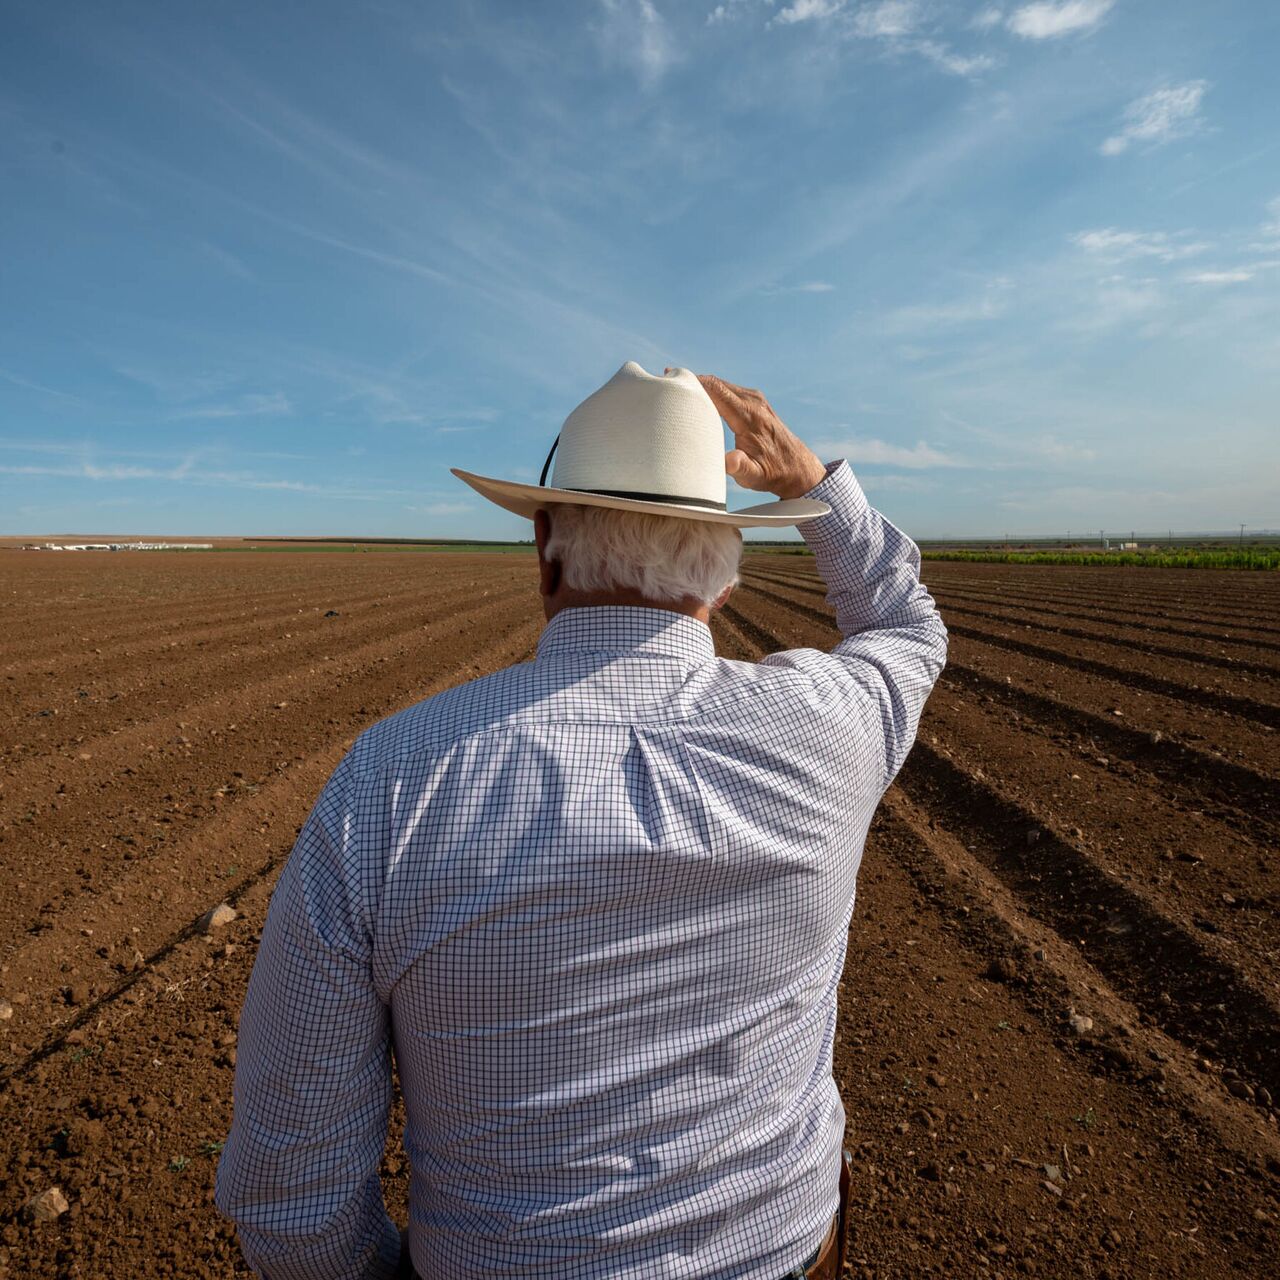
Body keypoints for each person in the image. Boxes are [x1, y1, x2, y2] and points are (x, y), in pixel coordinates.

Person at [215, 363, 947, 1280]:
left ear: (545, 545)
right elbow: (907, 628)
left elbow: (292, 1194)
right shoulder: (825, 731)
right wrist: (812, 488)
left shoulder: (392, 780)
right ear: (723, 570)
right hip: (790, 1253)